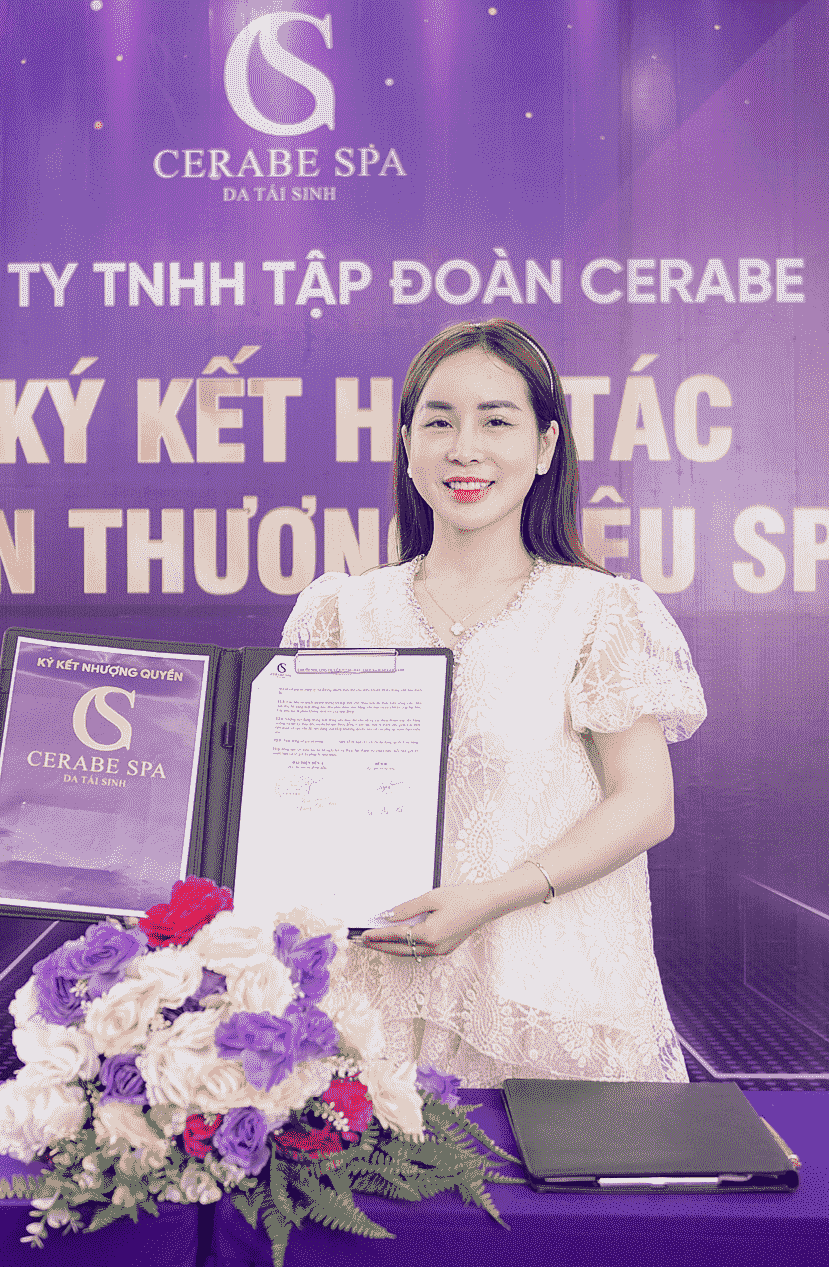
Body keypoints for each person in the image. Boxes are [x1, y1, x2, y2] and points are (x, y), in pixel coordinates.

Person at [279, 319, 706, 1086]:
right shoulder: (341, 612)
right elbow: (297, 806)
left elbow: (647, 803)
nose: (464, 448)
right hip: (375, 997)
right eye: (439, 422)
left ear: (545, 447)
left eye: (497, 421)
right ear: (407, 445)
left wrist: (488, 899)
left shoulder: (598, 611)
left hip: (546, 1001)